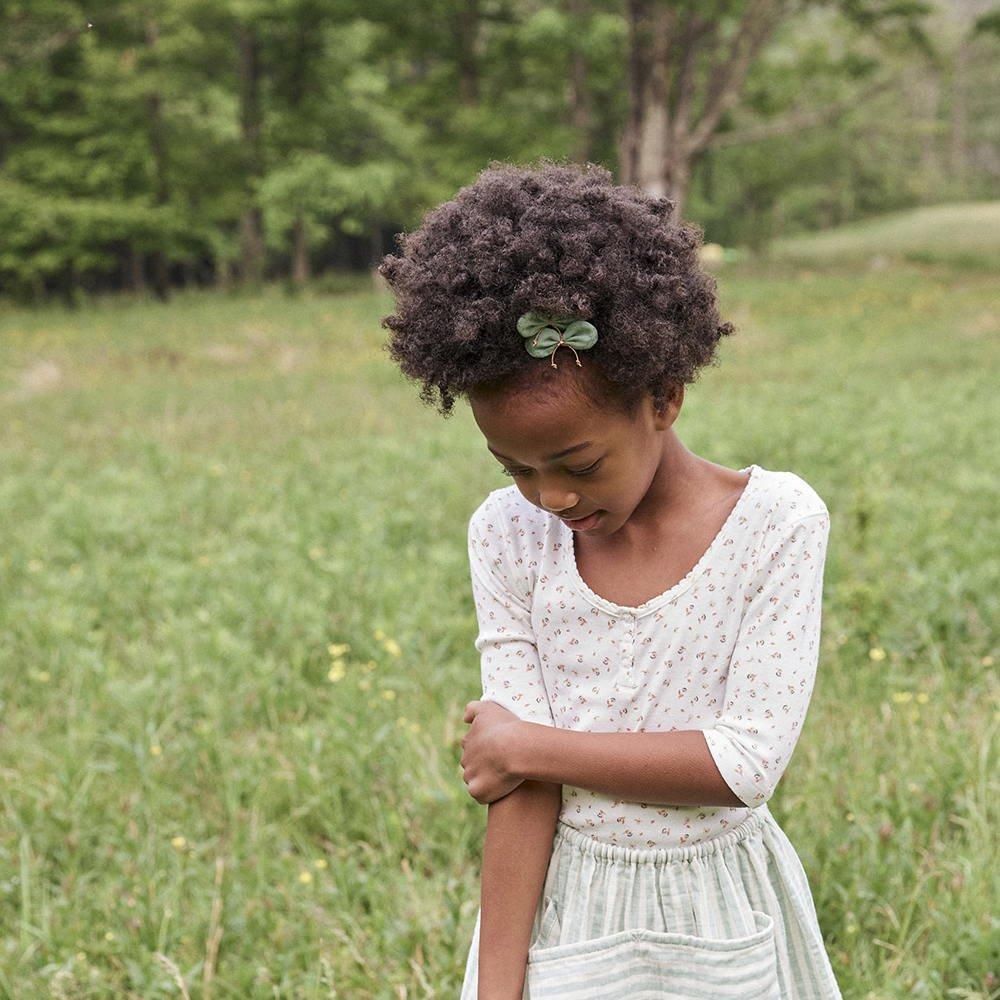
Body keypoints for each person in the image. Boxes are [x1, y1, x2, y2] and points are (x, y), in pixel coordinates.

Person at [378, 159, 842, 1000]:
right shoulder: (509, 535)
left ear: (663, 397)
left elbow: (744, 762)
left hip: (716, 912)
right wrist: (497, 986)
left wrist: (527, 744)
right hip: (568, 915)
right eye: (514, 467)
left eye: (578, 463)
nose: (550, 497)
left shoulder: (776, 524)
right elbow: (519, 793)